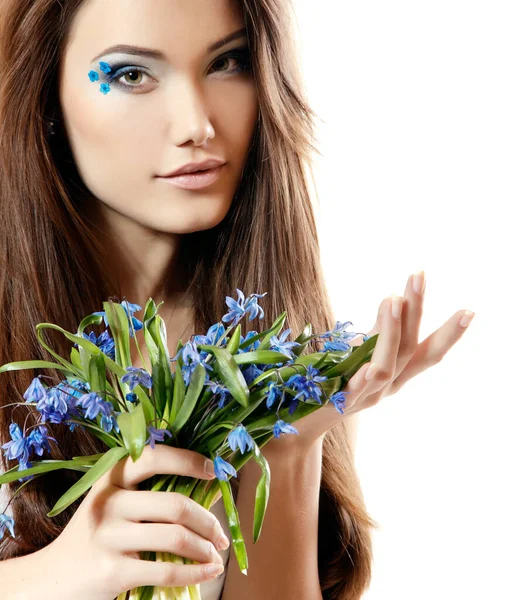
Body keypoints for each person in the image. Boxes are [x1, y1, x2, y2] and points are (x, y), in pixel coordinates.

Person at [0, 1, 475, 599]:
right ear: (47, 98)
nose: (197, 123)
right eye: (129, 74)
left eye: (228, 62)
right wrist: (52, 576)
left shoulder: (279, 357)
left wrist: (287, 451)